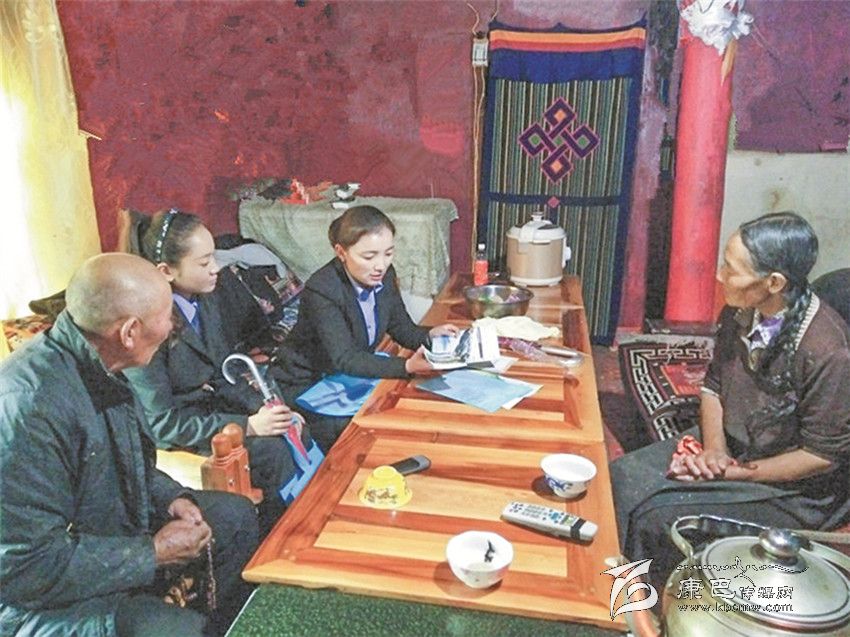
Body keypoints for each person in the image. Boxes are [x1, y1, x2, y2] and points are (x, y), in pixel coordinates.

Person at [0, 253, 258, 636]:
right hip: (32, 603)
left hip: (103, 537)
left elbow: (125, 462)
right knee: (178, 631)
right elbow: (25, 567)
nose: (172, 327)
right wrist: (152, 554)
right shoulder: (29, 407)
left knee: (234, 518)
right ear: (129, 332)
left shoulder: (101, 364)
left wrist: (173, 498)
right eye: (167, 316)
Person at [611, 211, 850, 591]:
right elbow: (713, 387)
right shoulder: (740, 312)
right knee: (621, 477)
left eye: (731, 269)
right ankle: (608, 591)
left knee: (657, 517)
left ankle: (643, 608)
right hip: (736, 449)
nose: (719, 276)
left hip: (794, 488)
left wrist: (736, 473)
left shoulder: (828, 350)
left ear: (774, 282)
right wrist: (715, 452)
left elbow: (821, 456)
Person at [120, 209, 311, 534]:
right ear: (166, 271)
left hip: (211, 414)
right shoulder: (148, 327)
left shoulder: (204, 300)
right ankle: (282, 538)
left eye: (214, 257)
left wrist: (269, 411)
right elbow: (162, 424)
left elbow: (224, 373)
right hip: (181, 432)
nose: (216, 268)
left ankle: (303, 521)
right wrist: (248, 426)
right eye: (204, 262)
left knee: (293, 428)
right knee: (272, 452)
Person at [273, 205, 458, 452]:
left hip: (348, 373)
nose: (380, 265)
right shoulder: (322, 290)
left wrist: (429, 334)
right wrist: (406, 366)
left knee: (413, 401)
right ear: (341, 252)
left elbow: (400, 326)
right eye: (369, 257)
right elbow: (345, 358)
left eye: (388, 253)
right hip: (310, 383)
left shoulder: (384, 275)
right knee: (369, 431)